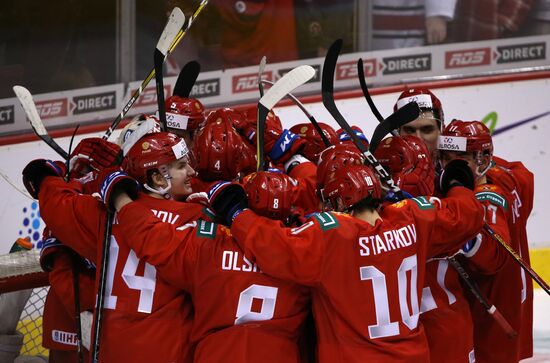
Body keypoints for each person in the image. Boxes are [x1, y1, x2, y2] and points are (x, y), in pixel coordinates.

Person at [207, 160, 485, 362]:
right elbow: (467, 214)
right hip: (414, 356)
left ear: (339, 205)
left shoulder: (333, 236)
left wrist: (236, 213)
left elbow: (273, 245)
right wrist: (457, 184)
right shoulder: (412, 218)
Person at [22, 132, 204, 362]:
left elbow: (58, 205)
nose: (192, 172)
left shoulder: (104, 215)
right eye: (182, 166)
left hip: (112, 350)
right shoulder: (195, 219)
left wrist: (48, 176)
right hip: (166, 349)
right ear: (158, 178)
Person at [103, 170, 311, 362]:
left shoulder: (209, 242)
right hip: (279, 355)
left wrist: (121, 198)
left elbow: (152, 240)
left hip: (217, 354)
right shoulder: (303, 253)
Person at [439, 120, 533, 362]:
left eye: (459, 159)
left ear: (482, 159)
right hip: (511, 298)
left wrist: (461, 235)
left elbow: (492, 256)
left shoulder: (486, 199)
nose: (450, 168)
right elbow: (520, 172)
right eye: (445, 157)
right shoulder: (509, 176)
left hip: (491, 305)